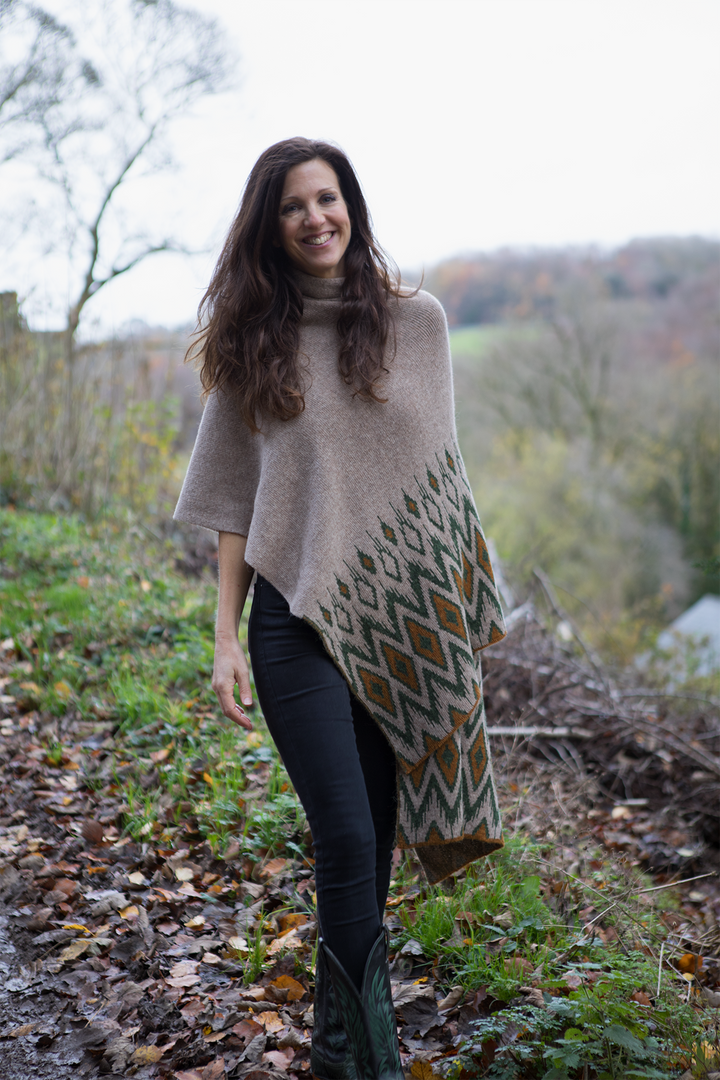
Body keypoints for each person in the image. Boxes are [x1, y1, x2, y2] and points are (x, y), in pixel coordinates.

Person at [174, 137, 506, 1080]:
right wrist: (224, 639)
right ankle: (369, 1062)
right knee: (347, 835)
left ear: (351, 207)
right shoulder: (252, 343)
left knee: (377, 850)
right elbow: (237, 506)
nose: (316, 218)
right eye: (293, 207)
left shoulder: (421, 322)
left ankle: (343, 1053)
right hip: (292, 626)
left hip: (400, 625)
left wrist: (455, 610)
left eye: (329, 199)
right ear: (269, 228)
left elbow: (439, 483)